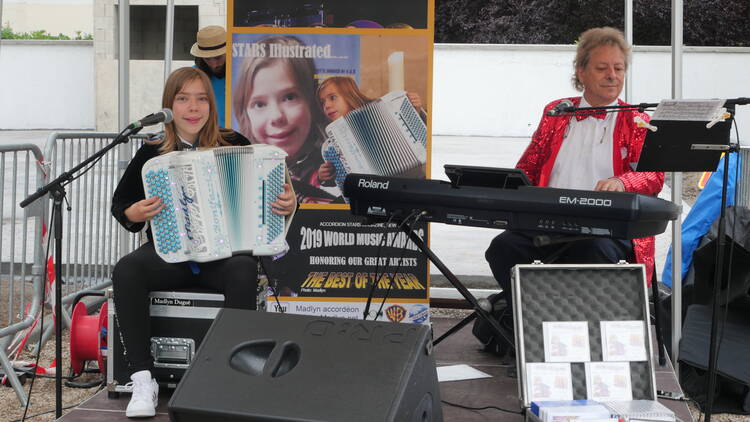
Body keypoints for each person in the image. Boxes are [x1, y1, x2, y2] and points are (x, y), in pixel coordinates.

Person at [111, 67, 295, 418]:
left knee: (243, 269)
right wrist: (135, 211)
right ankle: (143, 378)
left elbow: (274, 192)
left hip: (222, 256)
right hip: (170, 251)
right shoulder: (151, 152)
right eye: (183, 99)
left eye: (201, 99)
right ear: (169, 106)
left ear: (211, 104)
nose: (193, 107)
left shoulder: (234, 143)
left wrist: (286, 203)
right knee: (127, 270)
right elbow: (121, 205)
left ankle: (233, 378)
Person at [484, 27, 664, 319]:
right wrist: (501, 187)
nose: (612, 75)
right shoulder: (557, 112)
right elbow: (528, 166)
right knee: (503, 248)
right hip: (548, 222)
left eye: (619, 68)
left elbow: (654, 176)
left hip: (608, 228)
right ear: (581, 72)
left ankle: (579, 324)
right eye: (602, 68)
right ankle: (539, 319)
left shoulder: (637, 120)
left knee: (593, 252)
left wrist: (622, 181)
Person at [232, 35, 341, 204]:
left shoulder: (335, 163)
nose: (276, 116)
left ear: (312, 102)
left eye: (289, 97)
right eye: (259, 104)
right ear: (245, 113)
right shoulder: (241, 171)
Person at [315, 76, 426, 182]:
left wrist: (414, 111)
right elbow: (339, 176)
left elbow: (420, 134)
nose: (326, 105)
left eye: (332, 98)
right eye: (322, 102)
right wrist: (324, 177)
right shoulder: (334, 139)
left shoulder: (384, 109)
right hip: (372, 190)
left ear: (349, 95)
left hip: (411, 180)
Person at [191, 25, 228, 126]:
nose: (214, 65)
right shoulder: (192, 76)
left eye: (218, 57)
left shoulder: (241, 72)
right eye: (207, 59)